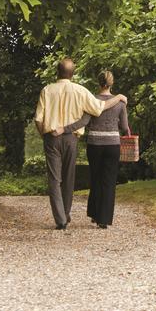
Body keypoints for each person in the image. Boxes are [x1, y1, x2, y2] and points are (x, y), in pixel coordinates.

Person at [34, 58, 125, 230]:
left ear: (57, 72)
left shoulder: (47, 90)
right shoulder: (80, 91)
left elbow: (38, 119)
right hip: (71, 139)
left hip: (51, 137)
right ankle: (65, 213)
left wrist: (43, 134)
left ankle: (60, 219)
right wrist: (119, 97)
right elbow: (99, 107)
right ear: (72, 74)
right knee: (69, 177)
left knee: (54, 179)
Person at [54, 69, 130, 228]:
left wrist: (65, 129)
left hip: (94, 145)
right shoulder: (120, 103)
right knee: (108, 181)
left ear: (98, 82)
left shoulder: (92, 100)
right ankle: (103, 219)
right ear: (112, 83)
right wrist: (126, 129)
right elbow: (123, 126)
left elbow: (83, 122)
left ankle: (95, 214)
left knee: (95, 178)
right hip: (112, 145)